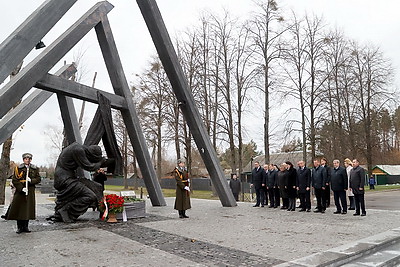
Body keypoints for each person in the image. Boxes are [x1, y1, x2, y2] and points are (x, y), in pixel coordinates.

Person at [49, 143, 111, 223]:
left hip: (70, 178)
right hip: (64, 180)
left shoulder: (80, 149)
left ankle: (102, 211)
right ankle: (65, 210)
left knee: (97, 186)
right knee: (90, 196)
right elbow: (89, 167)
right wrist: (101, 162)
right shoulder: (78, 150)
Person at [7, 153, 41, 234]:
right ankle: (19, 227)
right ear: (23, 160)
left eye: (29, 159)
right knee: (20, 209)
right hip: (20, 192)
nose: (27, 160)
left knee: (27, 209)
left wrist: (31, 181)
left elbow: (38, 179)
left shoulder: (34, 169)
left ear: (31, 160)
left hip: (30, 191)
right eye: (26, 159)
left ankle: (26, 226)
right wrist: (21, 188)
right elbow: (15, 180)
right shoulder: (18, 168)